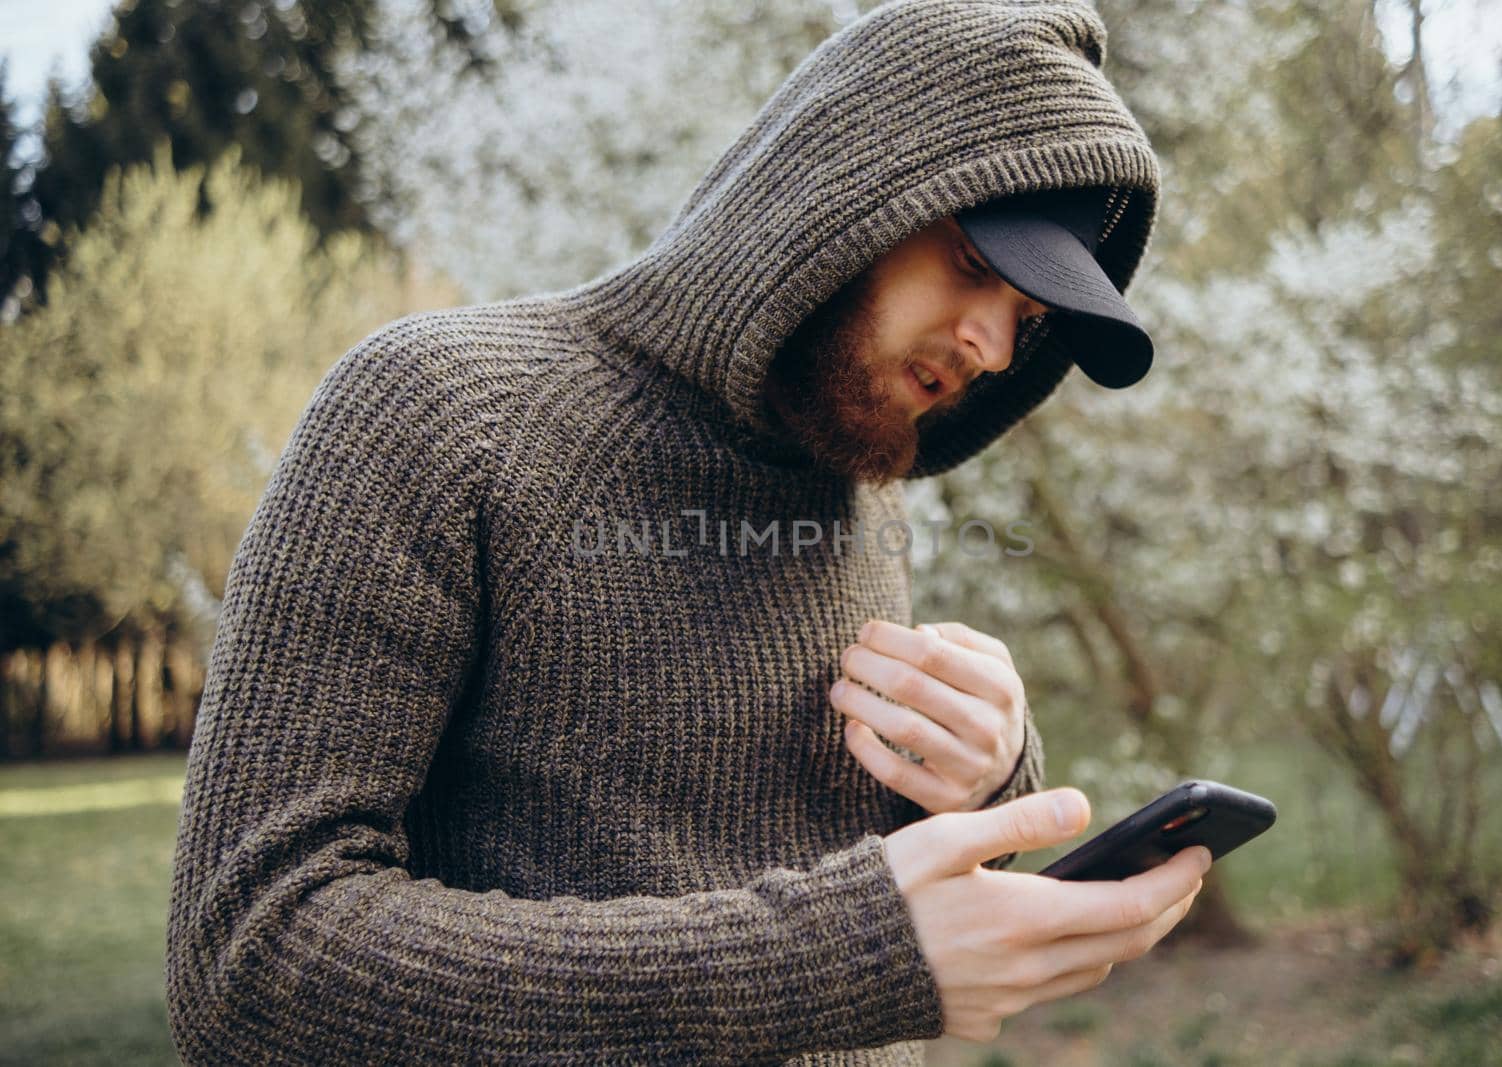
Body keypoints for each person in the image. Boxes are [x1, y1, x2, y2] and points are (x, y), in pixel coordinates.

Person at [164, 1, 1208, 1064]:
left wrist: (981, 775)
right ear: (840, 192)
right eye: (975, 266)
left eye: (1029, 321)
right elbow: (253, 958)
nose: (992, 345)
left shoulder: (860, 488)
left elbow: (863, 904)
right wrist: (844, 955)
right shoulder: (438, 412)